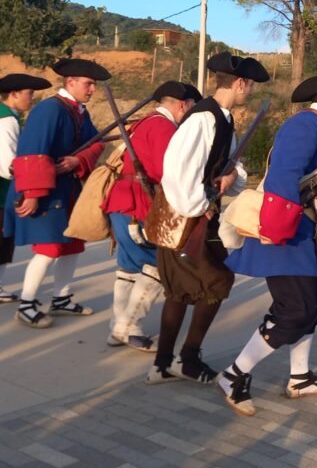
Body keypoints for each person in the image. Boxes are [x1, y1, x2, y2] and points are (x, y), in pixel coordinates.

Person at [218, 71, 317, 417]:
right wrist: (278, 230)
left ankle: (300, 378)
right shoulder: (307, 126)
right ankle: (233, 375)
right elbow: (284, 177)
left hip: (300, 232)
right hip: (286, 231)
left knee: (310, 306)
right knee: (295, 311)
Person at [144, 53, 268, 384]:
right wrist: (203, 203)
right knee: (217, 282)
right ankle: (185, 359)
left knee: (181, 291)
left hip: (198, 216)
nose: (251, 91)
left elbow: (230, 169)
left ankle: (162, 365)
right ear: (240, 83)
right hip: (183, 217)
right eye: (250, 85)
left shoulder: (224, 120)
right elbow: (178, 173)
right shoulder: (203, 119)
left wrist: (228, 181)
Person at [7, 59, 110, 328]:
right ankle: (27, 304)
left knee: (72, 244)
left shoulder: (79, 111)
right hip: (45, 189)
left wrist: (79, 161)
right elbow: (32, 153)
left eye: (94, 85)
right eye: (88, 84)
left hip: (67, 187)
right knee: (49, 247)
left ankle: (61, 298)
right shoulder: (49, 109)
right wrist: (32, 193)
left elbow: (96, 142)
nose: (92, 90)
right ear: (71, 82)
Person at [101, 81, 201, 351]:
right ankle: (129, 328)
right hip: (138, 205)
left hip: (123, 201)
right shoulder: (163, 126)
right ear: (183, 104)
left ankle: (117, 328)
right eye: (192, 106)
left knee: (128, 268)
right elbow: (166, 171)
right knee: (156, 266)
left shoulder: (144, 122)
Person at [0, 74, 52, 303]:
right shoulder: (6, 121)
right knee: (2, 240)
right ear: (14, 94)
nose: (31, 98)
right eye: (29, 93)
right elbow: (8, 164)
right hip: (2, 191)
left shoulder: (10, 117)